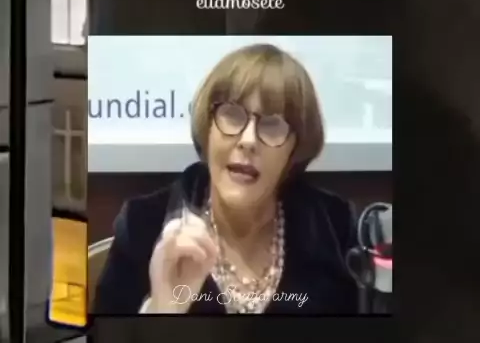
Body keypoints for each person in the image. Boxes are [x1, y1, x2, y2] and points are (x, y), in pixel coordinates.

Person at [93, 43, 359, 315]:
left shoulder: (334, 226)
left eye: (272, 124)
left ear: (294, 148)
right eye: (232, 115)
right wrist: (162, 309)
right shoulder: (143, 225)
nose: (248, 140)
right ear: (208, 128)